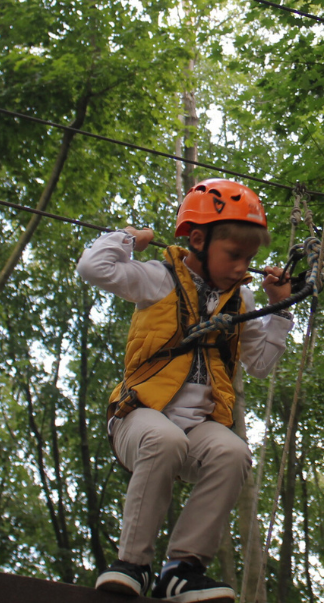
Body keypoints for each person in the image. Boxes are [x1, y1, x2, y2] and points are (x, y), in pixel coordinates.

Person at [77, 179, 293, 602]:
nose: (241, 266)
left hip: (198, 429)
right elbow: (93, 269)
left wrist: (279, 310)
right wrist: (127, 240)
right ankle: (133, 564)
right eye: (234, 255)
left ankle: (182, 567)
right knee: (163, 438)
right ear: (197, 239)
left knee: (232, 454)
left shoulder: (241, 302)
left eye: (249, 258)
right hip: (138, 419)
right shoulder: (158, 279)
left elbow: (261, 365)